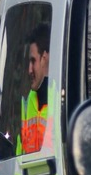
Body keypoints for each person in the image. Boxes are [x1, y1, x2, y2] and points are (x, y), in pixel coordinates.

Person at [17, 22, 52, 156]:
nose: (29, 70)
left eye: (33, 61)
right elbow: (19, 156)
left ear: (44, 58)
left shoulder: (60, 103)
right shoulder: (26, 104)